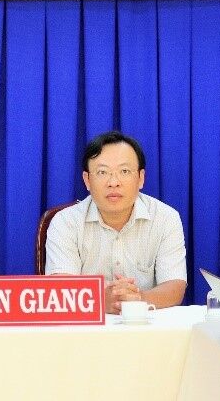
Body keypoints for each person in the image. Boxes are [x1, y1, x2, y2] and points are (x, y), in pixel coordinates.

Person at [45, 130, 187, 314]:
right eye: (102, 172)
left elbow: (174, 286)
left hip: (145, 325)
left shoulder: (166, 218)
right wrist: (100, 301)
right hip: (86, 327)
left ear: (141, 178)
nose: (114, 182)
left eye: (124, 171)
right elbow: (61, 289)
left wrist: (138, 299)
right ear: (87, 180)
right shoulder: (65, 222)